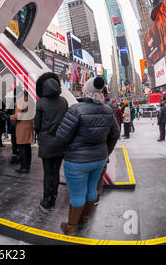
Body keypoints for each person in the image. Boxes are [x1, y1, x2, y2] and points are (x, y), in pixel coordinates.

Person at [55, 76, 120, 235]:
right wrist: (107, 151)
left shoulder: (76, 109)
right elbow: (115, 133)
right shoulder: (108, 110)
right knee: (92, 190)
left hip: (77, 162)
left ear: (86, 92)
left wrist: (70, 148)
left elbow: (61, 137)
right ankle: (84, 217)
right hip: (99, 159)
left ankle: (71, 226)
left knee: (77, 194)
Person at [34, 73, 68, 212]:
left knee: (47, 173)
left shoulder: (41, 102)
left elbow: (36, 125)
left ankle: (46, 200)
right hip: (60, 142)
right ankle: (54, 197)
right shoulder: (63, 101)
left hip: (46, 142)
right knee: (56, 172)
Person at [10, 91, 34, 174]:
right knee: (28, 146)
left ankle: (24, 167)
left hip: (22, 127)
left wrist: (10, 116)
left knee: (21, 147)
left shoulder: (21, 101)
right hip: (29, 125)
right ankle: (28, 165)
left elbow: (17, 116)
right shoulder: (31, 101)